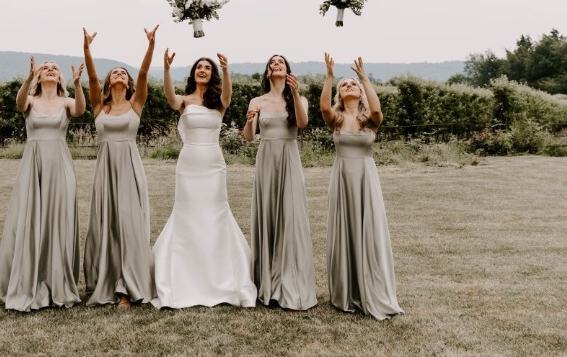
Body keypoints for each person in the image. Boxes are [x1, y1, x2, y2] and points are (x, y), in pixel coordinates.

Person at [151, 51, 257, 308]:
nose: (202, 69)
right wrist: (166, 70)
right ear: (193, 73)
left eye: (207, 68)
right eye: (199, 66)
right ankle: (183, 274)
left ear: (212, 74)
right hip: (188, 165)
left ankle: (220, 273)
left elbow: (228, 97)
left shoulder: (218, 102)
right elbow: (168, 96)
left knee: (215, 212)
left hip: (213, 164)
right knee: (187, 213)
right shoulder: (184, 101)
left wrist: (227, 69)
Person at [0, 56, 85, 311]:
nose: (49, 69)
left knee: (57, 220)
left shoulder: (66, 101)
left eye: (54, 68)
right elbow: (19, 102)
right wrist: (27, 78)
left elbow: (80, 110)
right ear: (38, 75)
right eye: (45, 67)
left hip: (59, 164)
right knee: (30, 219)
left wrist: (78, 84)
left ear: (59, 78)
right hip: (33, 164)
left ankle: (57, 283)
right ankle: (28, 282)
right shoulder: (31, 101)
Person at [320, 53, 403, 319]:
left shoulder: (370, 120)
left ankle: (372, 286)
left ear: (360, 91)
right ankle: (347, 289)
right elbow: (323, 109)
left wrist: (364, 77)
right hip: (343, 176)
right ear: (339, 94)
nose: (349, 86)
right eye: (344, 85)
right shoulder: (336, 118)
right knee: (346, 228)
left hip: (366, 178)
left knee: (368, 228)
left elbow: (378, 111)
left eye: (352, 84)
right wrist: (330, 76)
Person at [81, 26, 158, 307]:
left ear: (128, 83)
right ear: (109, 81)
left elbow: (143, 74)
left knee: (129, 225)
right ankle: (108, 280)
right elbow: (90, 76)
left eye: (123, 73)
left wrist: (151, 46)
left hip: (129, 168)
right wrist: (87, 49)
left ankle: (127, 287)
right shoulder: (100, 106)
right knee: (108, 225)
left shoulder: (136, 104)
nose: (120, 74)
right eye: (115, 72)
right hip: (105, 170)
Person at [241, 54, 317, 310]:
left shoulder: (299, 99)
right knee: (268, 216)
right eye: (272, 62)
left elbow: (303, 124)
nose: (276, 64)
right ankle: (267, 284)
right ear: (267, 71)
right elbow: (249, 138)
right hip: (266, 160)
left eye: (281, 62)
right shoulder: (257, 101)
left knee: (290, 217)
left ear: (287, 72)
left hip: (289, 158)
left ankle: (289, 283)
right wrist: (250, 122)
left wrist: (296, 95)